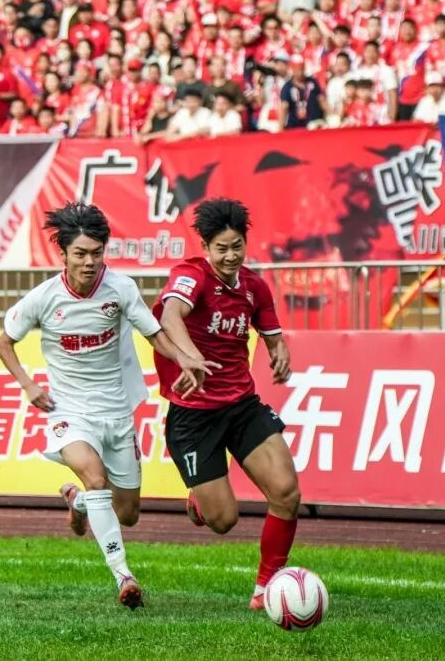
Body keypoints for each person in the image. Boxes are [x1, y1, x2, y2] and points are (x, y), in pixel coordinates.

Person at [0, 202, 215, 610]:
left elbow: (154, 335)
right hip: (68, 411)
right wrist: (28, 385)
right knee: (95, 478)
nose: (89, 262)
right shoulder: (43, 297)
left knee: (127, 512)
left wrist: (184, 358)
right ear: (63, 254)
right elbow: (3, 343)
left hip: (116, 412)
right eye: (80, 253)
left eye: (96, 253)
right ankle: (123, 575)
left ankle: (77, 502)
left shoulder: (120, 289)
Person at [151, 198, 298, 611]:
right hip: (194, 415)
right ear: (205, 246)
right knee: (223, 521)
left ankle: (266, 589)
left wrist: (280, 351)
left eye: (237, 246)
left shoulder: (254, 287)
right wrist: (190, 357)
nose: (231, 255)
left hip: (241, 406)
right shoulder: (191, 276)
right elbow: (170, 316)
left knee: (286, 492)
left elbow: (272, 333)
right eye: (222, 248)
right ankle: (200, 500)